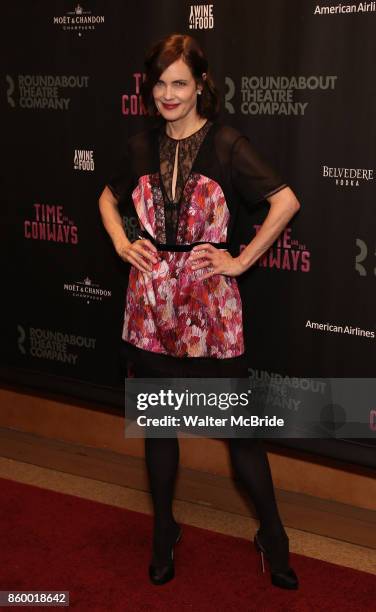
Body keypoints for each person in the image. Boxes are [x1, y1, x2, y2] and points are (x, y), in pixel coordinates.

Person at [98, 33, 301, 589]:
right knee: (160, 428)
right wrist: (121, 242)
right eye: (160, 83)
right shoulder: (140, 146)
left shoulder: (229, 145)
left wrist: (240, 261)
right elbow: (106, 198)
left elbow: (286, 201)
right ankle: (164, 532)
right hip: (150, 310)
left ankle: (273, 537)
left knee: (241, 434)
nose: (168, 94)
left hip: (211, 312)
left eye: (179, 83)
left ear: (200, 85)